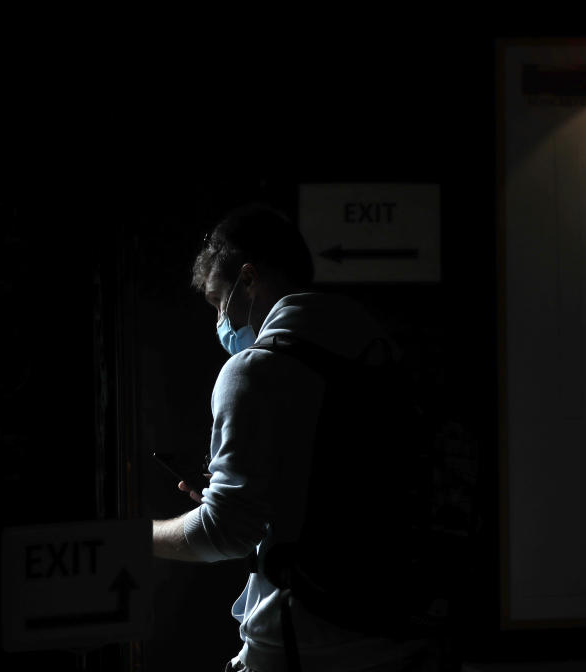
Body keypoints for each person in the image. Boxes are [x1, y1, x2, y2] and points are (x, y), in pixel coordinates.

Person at [151, 204, 438, 672]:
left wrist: (140, 537)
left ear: (248, 280)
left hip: (304, 641)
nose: (220, 323)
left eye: (219, 302)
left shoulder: (254, 370)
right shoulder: (381, 353)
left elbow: (225, 533)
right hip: (405, 630)